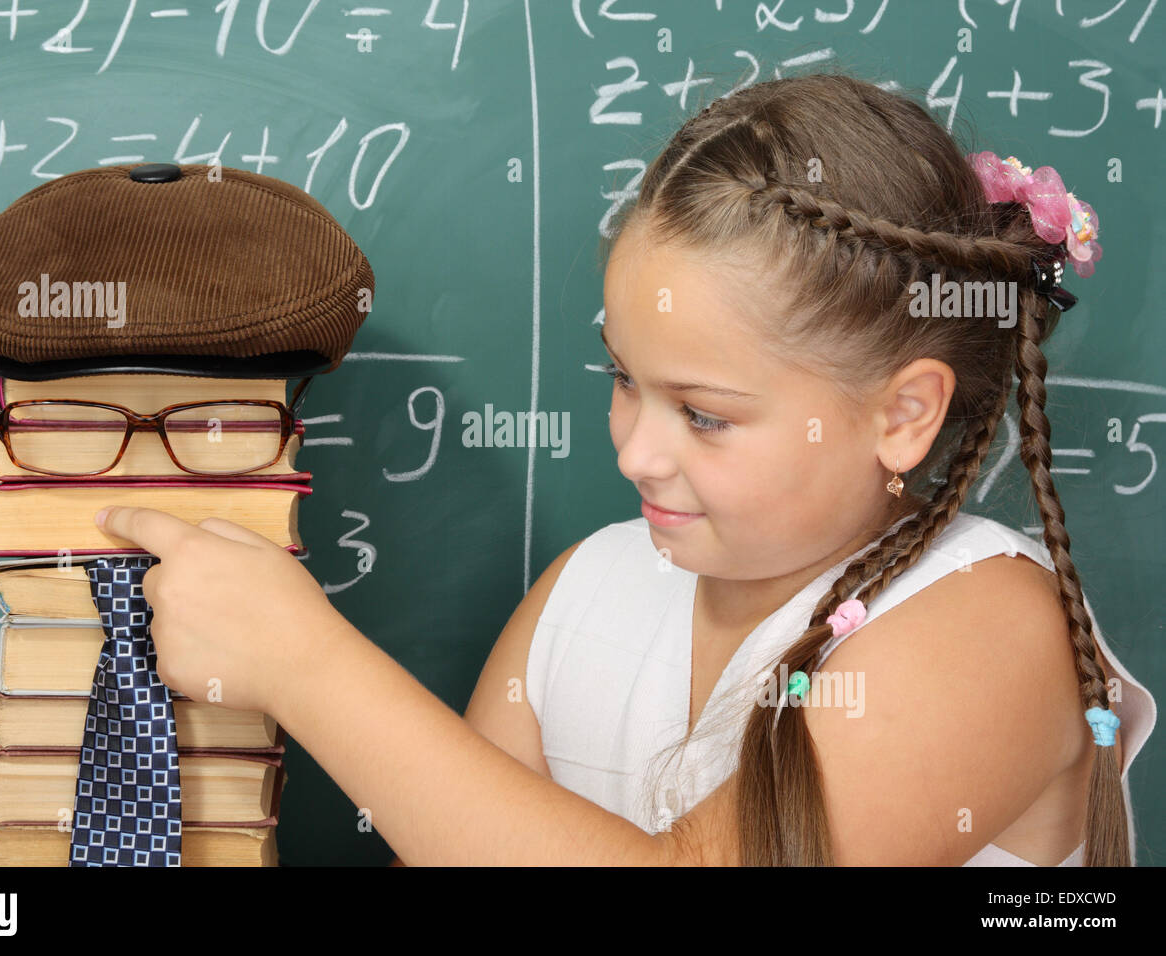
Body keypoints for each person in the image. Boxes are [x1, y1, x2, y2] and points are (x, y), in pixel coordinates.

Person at [92, 72, 1155, 866]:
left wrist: (307, 663)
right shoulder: (585, 592)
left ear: (902, 414)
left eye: (705, 415)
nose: (635, 450)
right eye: (622, 379)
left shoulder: (989, 626)